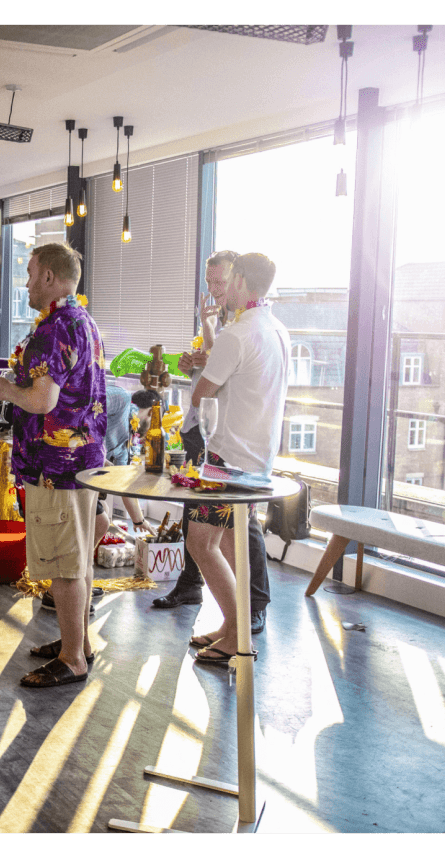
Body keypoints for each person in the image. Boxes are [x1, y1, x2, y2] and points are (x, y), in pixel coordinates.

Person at [0, 242, 106, 689]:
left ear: (50, 279)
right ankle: (77, 643)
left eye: (29, 272)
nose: (24, 282)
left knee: (64, 565)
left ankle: (73, 658)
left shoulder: (54, 328)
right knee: (76, 559)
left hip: (56, 466)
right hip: (81, 460)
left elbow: (42, 401)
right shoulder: (83, 321)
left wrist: (6, 391)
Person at [186, 251, 289, 662]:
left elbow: (201, 392)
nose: (222, 288)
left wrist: (207, 362)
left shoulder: (238, 334)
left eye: (229, 279)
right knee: (229, 545)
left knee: (200, 542)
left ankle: (237, 633)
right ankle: (232, 627)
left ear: (243, 279)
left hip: (227, 460)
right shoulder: (277, 328)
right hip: (258, 455)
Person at [37, 383, 154, 616]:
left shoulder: (126, 443)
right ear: (152, 411)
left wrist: (139, 522)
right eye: (156, 422)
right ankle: (60, 592)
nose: (154, 431)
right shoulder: (121, 398)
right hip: (65, 459)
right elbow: (84, 406)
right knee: (98, 523)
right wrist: (99, 454)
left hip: (83, 475)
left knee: (101, 522)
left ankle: (73, 585)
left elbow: (122, 482)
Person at [152, 270, 229, 609]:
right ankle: (190, 582)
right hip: (197, 428)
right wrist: (189, 364)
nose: (213, 290)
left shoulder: (236, 329)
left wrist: (208, 342)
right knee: (190, 510)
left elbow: (222, 376)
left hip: (217, 433)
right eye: (210, 283)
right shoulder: (213, 324)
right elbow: (206, 373)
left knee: (216, 524)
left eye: (220, 282)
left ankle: (245, 605)